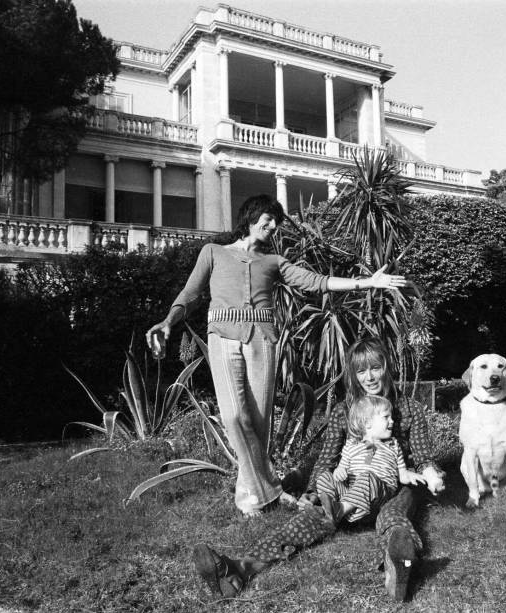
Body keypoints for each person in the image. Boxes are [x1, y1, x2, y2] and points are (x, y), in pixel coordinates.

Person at [145, 195, 407, 517]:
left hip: (263, 341)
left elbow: (315, 282)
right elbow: (191, 293)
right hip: (223, 338)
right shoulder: (213, 252)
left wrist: (366, 282)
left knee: (259, 422)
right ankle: (271, 490)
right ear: (250, 218)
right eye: (266, 220)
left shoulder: (273, 262)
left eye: (275, 224)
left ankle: (249, 495)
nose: (271, 227)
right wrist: (168, 321)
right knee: (233, 418)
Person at [192, 338, 446, 601]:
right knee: (313, 517)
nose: (369, 377)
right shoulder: (343, 411)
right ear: (353, 375)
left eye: (375, 368)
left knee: (394, 514)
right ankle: (239, 570)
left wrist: (430, 473)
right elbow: (328, 456)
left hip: (394, 486)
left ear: (387, 367)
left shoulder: (409, 409)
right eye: (361, 371)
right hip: (351, 489)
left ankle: (399, 565)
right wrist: (313, 490)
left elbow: (423, 455)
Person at [315, 394, 426, 524]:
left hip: (379, 494)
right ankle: (329, 511)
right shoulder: (352, 444)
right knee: (324, 476)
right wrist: (339, 471)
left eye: (391, 417)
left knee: (367, 477)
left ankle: (339, 511)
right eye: (386, 417)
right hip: (352, 491)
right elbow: (342, 468)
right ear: (367, 423)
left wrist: (414, 475)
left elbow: (402, 475)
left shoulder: (393, 445)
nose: (392, 421)